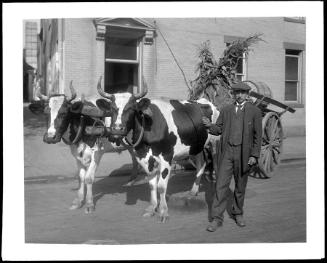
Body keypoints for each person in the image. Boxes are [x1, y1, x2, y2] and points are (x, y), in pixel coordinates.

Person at [202, 82, 262, 232]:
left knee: (240, 187)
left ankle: (238, 213)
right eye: (237, 92)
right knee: (221, 185)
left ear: (247, 95)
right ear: (234, 94)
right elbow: (218, 130)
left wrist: (254, 155)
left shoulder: (254, 111)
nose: (240, 95)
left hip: (244, 154)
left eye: (243, 92)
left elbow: (258, 136)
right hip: (227, 153)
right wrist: (209, 125)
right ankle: (217, 218)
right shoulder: (226, 110)